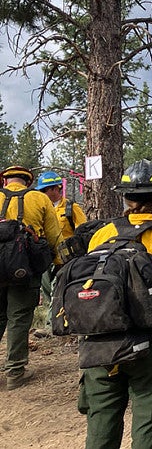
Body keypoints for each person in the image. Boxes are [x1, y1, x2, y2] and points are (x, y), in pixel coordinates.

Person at [78, 159, 152, 449]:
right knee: (149, 420)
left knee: (101, 422)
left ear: (125, 196)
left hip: (100, 342)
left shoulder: (102, 234)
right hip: (150, 342)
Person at [0, 165, 62, 389]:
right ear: (27, 182)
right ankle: (15, 372)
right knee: (18, 318)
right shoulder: (39, 199)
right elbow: (54, 235)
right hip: (24, 268)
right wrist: (58, 263)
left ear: (5, 181)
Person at [33, 170, 87, 338]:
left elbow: (83, 230)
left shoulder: (71, 208)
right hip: (46, 256)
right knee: (47, 290)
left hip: (66, 258)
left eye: (45, 190)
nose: (43, 194)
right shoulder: (42, 208)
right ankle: (60, 321)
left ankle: (51, 327)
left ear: (56, 189)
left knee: (59, 288)